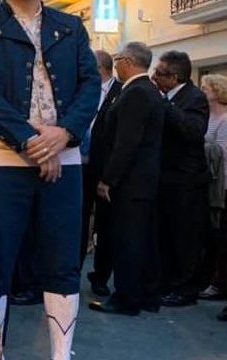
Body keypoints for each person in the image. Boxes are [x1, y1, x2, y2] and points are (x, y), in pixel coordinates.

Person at [0, 0, 99, 360]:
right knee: (0, 258)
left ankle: (62, 353)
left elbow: (90, 84)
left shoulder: (70, 26)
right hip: (4, 159)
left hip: (65, 157)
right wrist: (32, 140)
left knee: (63, 258)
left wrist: (64, 133)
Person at [88, 42, 164, 316]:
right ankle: (146, 295)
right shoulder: (145, 90)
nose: (116, 64)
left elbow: (127, 142)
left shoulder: (137, 92)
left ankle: (126, 298)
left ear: (129, 61)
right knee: (141, 239)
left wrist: (108, 179)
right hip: (140, 181)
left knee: (128, 241)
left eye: (118, 59)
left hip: (131, 183)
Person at [151, 50, 209, 307]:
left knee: (185, 237)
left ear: (174, 77)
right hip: (165, 178)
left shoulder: (194, 98)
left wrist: (166, 106)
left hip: (186, 181)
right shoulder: (165, 97)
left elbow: (193, 130)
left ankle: (185, 288)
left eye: (159, 73)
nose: (154, 77)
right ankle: (165, 282)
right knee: (166, 235)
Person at [83, 50, 122, 297]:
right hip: (81, 165)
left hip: (107, 168)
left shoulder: (122, 92)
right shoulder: (82, 89)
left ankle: (101, 276)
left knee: (106, 224)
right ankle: (71, 272)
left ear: (99, 68)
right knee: (78, 221)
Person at [199, 74, 227, 307]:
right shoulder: (207, 116)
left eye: (205, 88)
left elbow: (222, 154)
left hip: (219, 182)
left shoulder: (225, 119)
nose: (202, 91)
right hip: (204, 180)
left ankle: (216, 281)